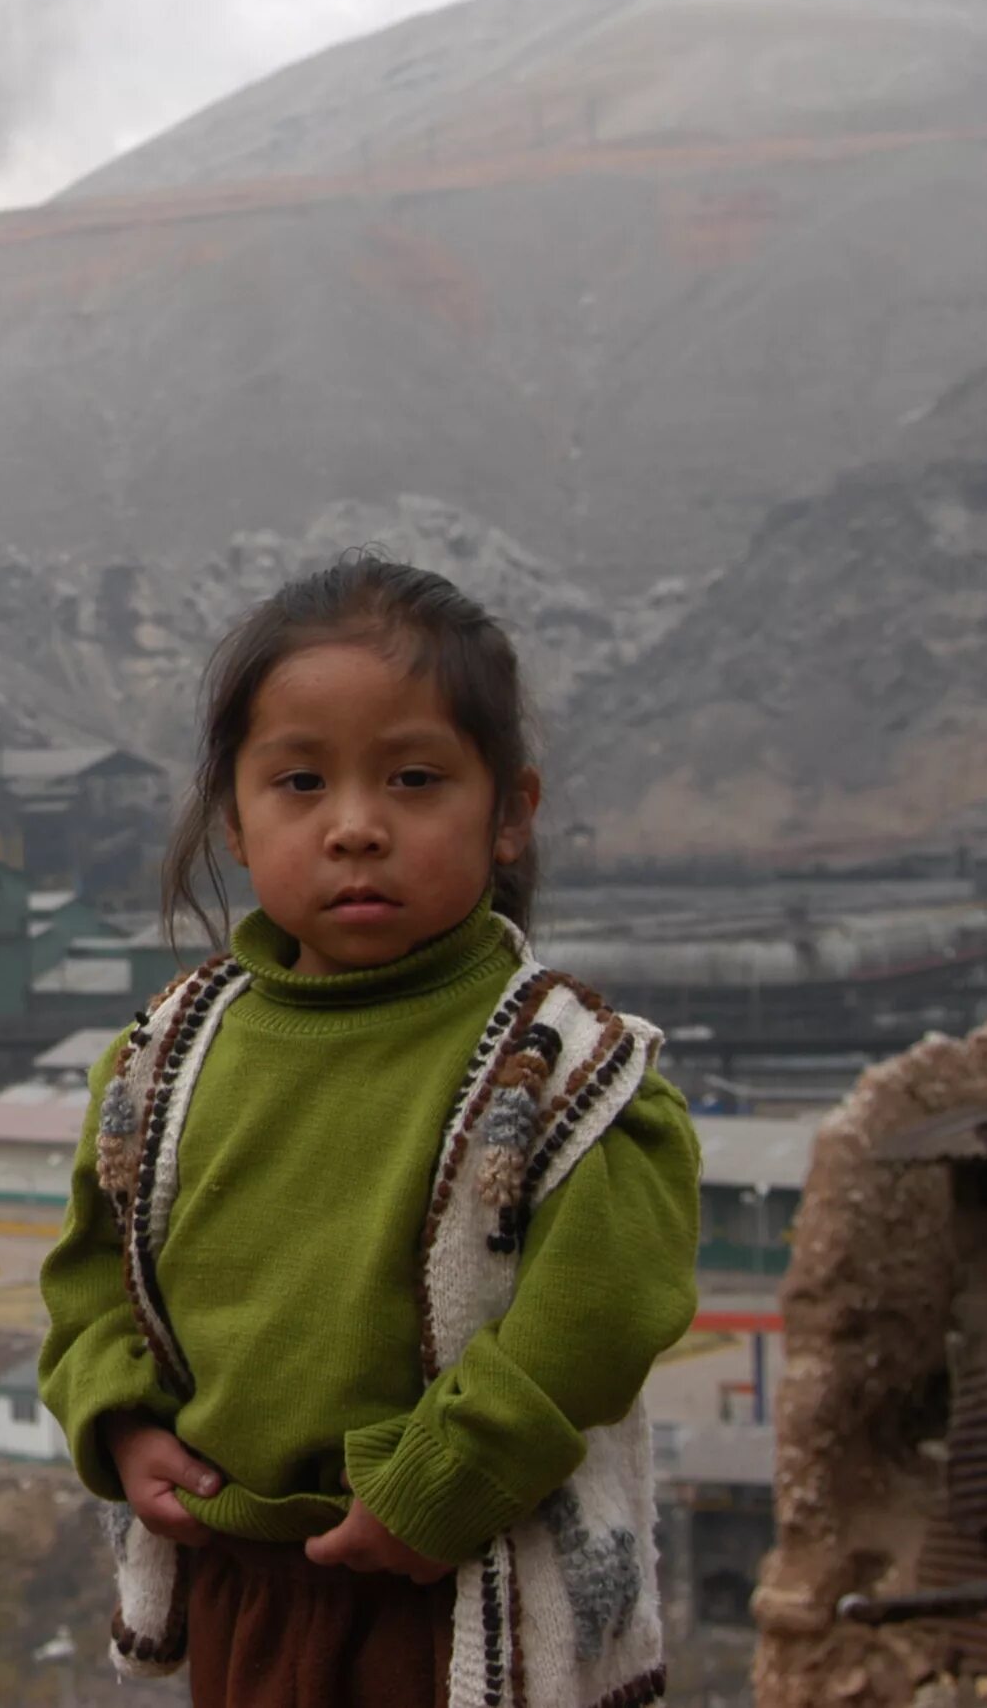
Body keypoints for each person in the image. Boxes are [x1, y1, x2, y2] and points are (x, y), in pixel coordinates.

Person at [37, 554, 700, 1708]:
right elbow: (97, 1276)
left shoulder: (566, 1072)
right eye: (300, 782)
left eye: (412, 778)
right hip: (246, 1590)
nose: (355, 828)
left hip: (463, 1597)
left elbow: (600, 1312)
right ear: (235, 821)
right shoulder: (163, 1058)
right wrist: (120, 1422)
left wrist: (445, 1481)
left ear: (510, 814)